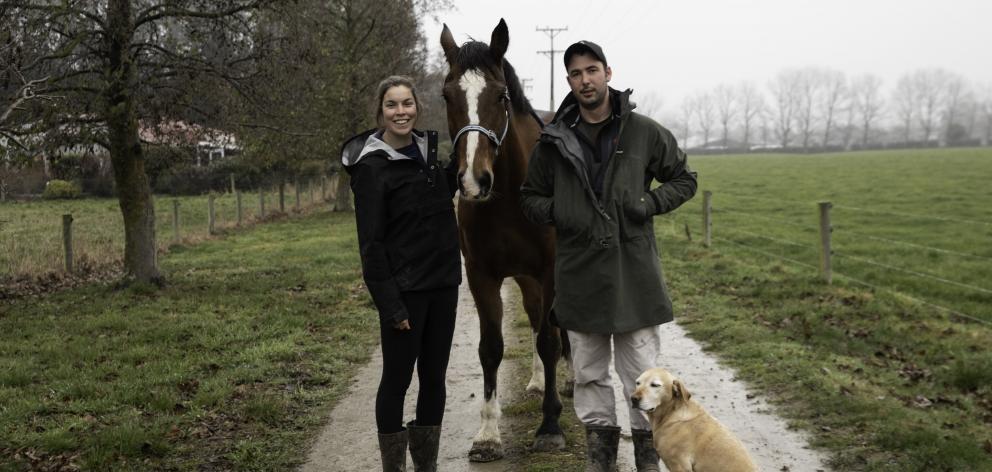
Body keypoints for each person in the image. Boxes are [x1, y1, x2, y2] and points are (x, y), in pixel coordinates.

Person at [520, 41, 698, 472]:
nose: (586, 79)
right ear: (569, 81)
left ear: (608, 73)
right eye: (577, 73)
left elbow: (684, 178)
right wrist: (562, 211)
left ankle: (646, 465)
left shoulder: (643, 131)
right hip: (579, 275)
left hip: (632, 273)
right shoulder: (553, 142)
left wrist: (648, 204)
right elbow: (530, 197)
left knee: (641, 377)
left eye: (592, 70)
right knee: (588, 374)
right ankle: (600, 464)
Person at [341, 75, 461, 472]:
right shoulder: (372, 169)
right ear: (380, 112)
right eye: (392, 105)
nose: (401, 112)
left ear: (417, 107)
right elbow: (371, 247)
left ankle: (426, 466)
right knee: (396, 381)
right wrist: (391, 306)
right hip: (405, 294)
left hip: (443, 285)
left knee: (434, 378)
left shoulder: (427, 154)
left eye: (407, 103)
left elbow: (438, 198)